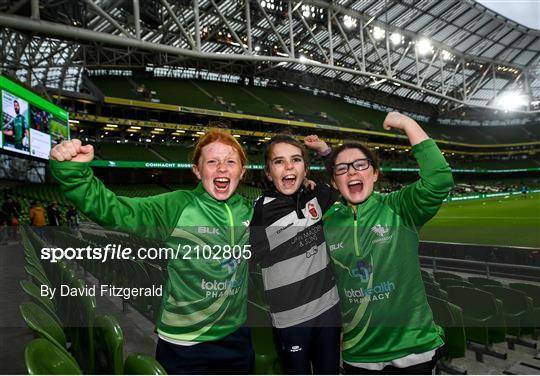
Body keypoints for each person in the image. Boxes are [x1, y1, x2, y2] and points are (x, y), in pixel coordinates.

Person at [49, 131, 255, 374]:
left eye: (230, 161)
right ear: (197, 171)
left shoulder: (251, 211)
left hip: (237, 336)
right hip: (185, 342)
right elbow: (114, 211)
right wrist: (76, 175)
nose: (221, 168)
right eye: (212, 161)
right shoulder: (176, 206)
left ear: (242, 172)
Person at [322, 112, 454, 374]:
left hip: (413, 349)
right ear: (334, 181)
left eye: (361, 164)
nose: (352, 172)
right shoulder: (328, 222)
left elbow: (439, 179)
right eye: (342, 168)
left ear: (375, 174)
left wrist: (408, 124)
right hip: (359, 353)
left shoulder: (399, 208)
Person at [249, 135, 341, 374]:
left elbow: (341, 180)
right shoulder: (261, 212)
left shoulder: (316, 196)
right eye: (279, 162)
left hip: (329, 309)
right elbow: (247, 259)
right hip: (290, 319)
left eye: (296, 160)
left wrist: (325, 150)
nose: (289, 167)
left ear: (305, 170)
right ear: (269, 173)